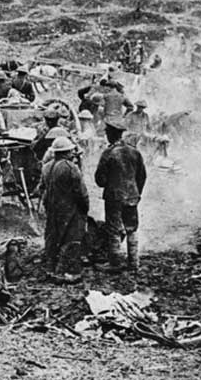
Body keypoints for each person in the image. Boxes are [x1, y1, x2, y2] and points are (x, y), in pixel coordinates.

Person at [94, 117, 147, 273]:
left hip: (114, 197)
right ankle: (134, 262)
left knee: (113, 228)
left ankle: (115, 262)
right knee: (132, 228)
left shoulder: (108, 153)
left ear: (111, 134)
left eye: (107, 132)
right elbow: (142, 176)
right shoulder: (134, 152)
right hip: (132, 196)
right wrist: (136, 193)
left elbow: (100, 180)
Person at [40, 137, 89, 283]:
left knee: (53, 237)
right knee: (71, 238)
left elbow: (41, 188)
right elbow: (81, 192)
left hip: (52, 208)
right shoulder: (71, 168)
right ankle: (68, 272)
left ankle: (50, 268)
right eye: (70, 151)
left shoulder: (46, 167)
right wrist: (84, 208)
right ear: (66, 152)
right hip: (69, 208)